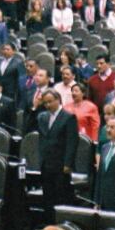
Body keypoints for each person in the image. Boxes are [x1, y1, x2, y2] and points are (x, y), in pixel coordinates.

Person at [37, 91, 78, 219]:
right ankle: (49, 222)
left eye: (50, 102)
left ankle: (60, 223)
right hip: (46, 162)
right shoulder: (42, 117)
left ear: (58, 100)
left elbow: (72, 142)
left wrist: (68, 163)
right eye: (45, 103)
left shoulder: (68, 117)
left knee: (60, 194)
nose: (47, 105)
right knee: (47, 195)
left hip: (61, 164)